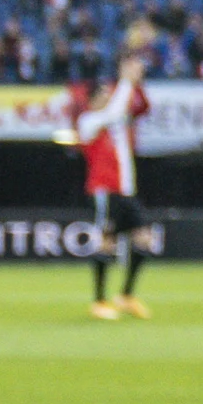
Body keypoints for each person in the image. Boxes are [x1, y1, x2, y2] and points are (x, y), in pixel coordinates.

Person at [70, 51, 155, 320]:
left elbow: (140, 107)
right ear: (93, 100)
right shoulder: (89, 121)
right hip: (105, 190)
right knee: (106, 242)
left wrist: (135, 81)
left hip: (126, 191)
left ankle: (126, 295)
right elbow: (118, 109)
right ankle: (99, 301)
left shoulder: (115, 120)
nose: (109, 96)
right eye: (104, 93)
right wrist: (127, 80)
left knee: (144, 240)